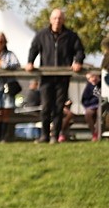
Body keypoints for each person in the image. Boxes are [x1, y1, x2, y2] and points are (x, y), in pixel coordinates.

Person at [24, 8, 85, 144]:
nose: (57, 21)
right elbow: (34, 48)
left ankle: (55, 136)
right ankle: (44, 136)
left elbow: (79, 50)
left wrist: (78, 62)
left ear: (63, 20)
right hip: (46, 77)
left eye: (60, 18)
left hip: (63, 78)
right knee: (46, 107)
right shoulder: (42, 35)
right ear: (50, 20)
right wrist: (30, 62)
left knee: (58, 107)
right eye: (55, 18)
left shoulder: (71, 36)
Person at [79, 71, 102, 142]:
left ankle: (99, 133)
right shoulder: (88, 86)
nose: (92, 79)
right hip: (91, 105)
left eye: (93, 77)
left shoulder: (103, 84)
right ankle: (94, 133)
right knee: (88, 114)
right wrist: (89, 104)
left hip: (102, 104)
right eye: (89, 78)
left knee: (100, 113)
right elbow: (84, 99)